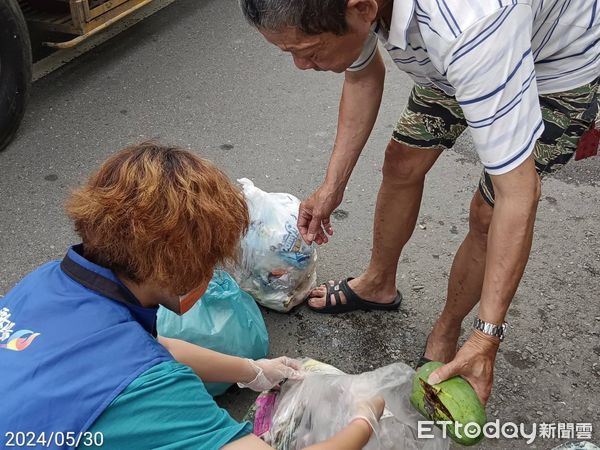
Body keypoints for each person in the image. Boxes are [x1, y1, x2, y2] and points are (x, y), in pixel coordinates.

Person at [239, 0, 600, 404]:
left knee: (489, 211)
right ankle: (378, 284)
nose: (301, 67)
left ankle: (449, 326)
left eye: (307, 52)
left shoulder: (469, 30)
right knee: (402, 161)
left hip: (554, 67)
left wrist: (487, 336)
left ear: (362, 8)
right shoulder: (357, 10)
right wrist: (331, 186)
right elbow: (362, 75)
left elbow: (519, 193)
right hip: (455, 61)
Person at [0, 143, 384, 450]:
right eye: (211, 261)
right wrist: (363, 420)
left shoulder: (46, 282)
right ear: (180, 265)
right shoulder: (157, 390)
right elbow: (142, 368)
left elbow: (145, 347)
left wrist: (252, 370)